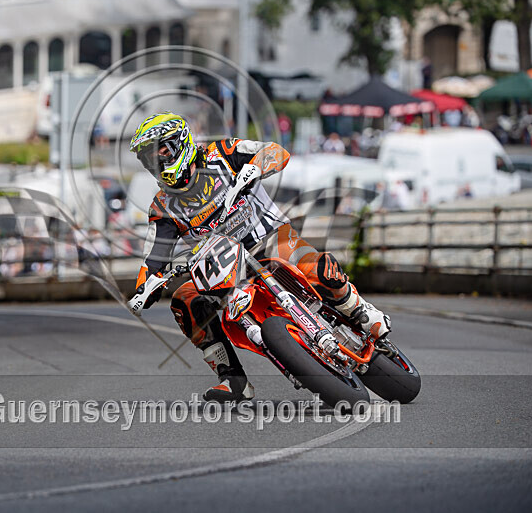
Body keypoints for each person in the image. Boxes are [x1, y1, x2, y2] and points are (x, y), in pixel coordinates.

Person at [127, 112, 391, 402]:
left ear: (180, 142)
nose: (157, 162)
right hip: (223, 266)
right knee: (184, 300)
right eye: (149, 158)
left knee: (319, 269)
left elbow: (274, 151)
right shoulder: (162, 207)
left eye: (160, 152)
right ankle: (232, 379)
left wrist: (255, 168)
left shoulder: (222, 152)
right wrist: (144, 289)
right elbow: (153, 258)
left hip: (268, 239)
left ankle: (360, 311)